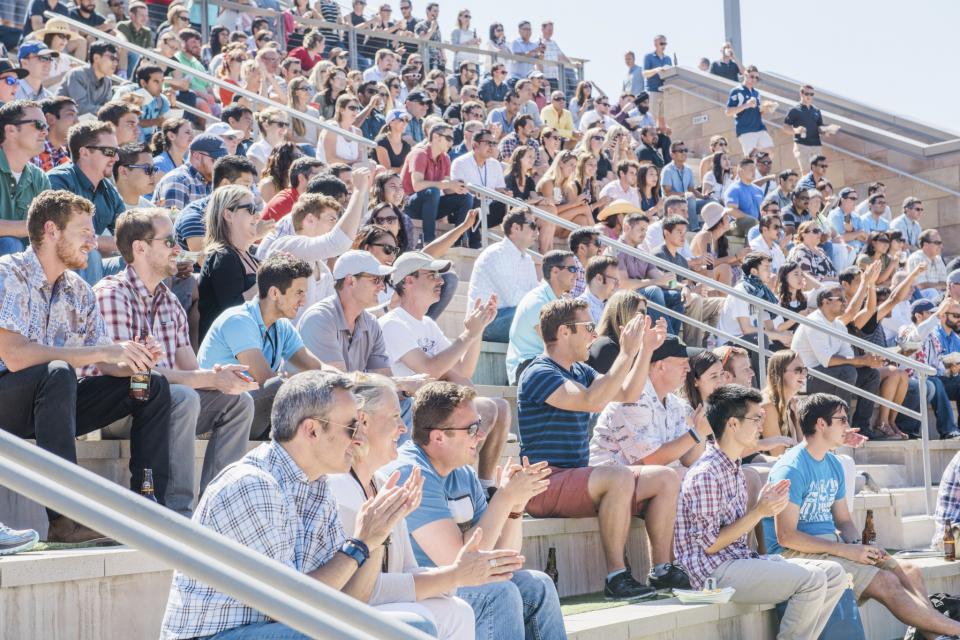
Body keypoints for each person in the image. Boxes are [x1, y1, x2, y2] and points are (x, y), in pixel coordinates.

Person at [160, 370, 438, 638]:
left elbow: (347, 601)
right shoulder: (255, 484)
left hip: (275, 628)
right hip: (219, 634)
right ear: (312, 430)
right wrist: (358, 545)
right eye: (352, 426)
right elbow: (289, 607)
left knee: (415, 627)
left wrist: (376, 539)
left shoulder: (318, 485)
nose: (359, 438)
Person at [0, 190, 171, 543]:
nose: (94, 243)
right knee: (59, 372)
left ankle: (147, 500)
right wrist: (103, 352)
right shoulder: (8, 273)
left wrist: (132, 360)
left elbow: (106, 364)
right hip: (8, 402)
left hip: (56, 402)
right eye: (84, 233)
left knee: (150, 385)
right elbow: (14, 356)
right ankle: (65, 518)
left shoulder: (79, 290)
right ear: (51, 231)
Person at [89, 209, 255, 517]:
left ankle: (218, 510)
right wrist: (204, 379)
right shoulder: (112, 294)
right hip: (118, 406)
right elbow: (129, 372)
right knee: (182, 395)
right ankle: (179, 513)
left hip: (162, 402)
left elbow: (189, 370)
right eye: (169, 241)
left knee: (238, 403)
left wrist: (219, 377)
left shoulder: (169, 301)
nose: (177, 249)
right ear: (140, 248)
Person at [518, 299, 688, 595]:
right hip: (542, 484)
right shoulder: (539, 372)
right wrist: (626, 351)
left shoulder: (580, 371)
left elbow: (629, 392)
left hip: (575, 479)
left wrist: (644, 350)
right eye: (587, 327)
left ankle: (661, 569)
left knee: (665, 477)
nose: (594, 335)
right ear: (564, 332)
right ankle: (616, 576)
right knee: (619, 475)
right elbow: (591, 401)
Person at [765, 393, 960, 638]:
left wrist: (859, 546)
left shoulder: (833, 464)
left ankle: (936, 636)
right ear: (821, 424)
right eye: (842, 420)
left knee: (910, 570)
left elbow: (844, 520)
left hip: (831, 548)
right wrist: (845, 551)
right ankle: (954, 630)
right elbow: (786, 537)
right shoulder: (791, 467)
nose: (847, 426)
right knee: (886, 582)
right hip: (797, 554)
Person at [381, 381, 566, 638]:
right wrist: (502, 498)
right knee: (499, 593)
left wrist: (515, 506)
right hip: (421, 591)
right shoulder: (410, 473)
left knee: (539, 585)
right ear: (438, 437)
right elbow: (458, 561)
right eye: (471, 428)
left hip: (454, 584)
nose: (480, 435)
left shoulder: (463, 473)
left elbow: (503, 557)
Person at [675, 384, 846, 638]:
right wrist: (760, 511)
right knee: (812, 580)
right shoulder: (706, 474)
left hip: (736, 561)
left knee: (835, 573)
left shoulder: (732, 468)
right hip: (711, 572)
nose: (761, 426)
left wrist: (762, 510)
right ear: (732, 424)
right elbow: (710, 545)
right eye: (756, 418)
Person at [328, 373, 485, 638]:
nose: (403, 428)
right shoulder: (337, 488)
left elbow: (406, 569)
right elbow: (362, 590)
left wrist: (458, 574)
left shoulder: (381, 482)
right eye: (394, 417)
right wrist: (453, 576)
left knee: (457, 611)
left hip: (379, 603)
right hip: (342, 613)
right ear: (363, 422)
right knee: (420, 618)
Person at [379, 251, 510, 483]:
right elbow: (430, 369)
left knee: (499, 408)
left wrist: (477, 330)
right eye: (431, 275)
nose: (440, 281)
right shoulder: (392, 322)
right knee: (486, 409)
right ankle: (458, 483)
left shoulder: (427, 324)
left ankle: (485, 486)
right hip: (410, 413)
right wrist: (468, 334)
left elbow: (462, 373)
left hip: (433, 411)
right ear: (408, 280)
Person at [197, 254, 336, 439]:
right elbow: (265, 381)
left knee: (322, 390)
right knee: (280, 388)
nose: (303, 301)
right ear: (274, 293)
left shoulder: (282, 326)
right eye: (299, 293)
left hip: (247, 412)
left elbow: (317, 368)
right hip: (214, 422)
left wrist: (351, 381)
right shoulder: (239, 320)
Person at [259, 169, 371, 316]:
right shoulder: (285, 246)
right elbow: (338, 242)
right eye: (331, 219)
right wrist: (358, 191)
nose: (335, 226)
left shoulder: (322, 268)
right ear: (310, 219)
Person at [792, 285, 883, 433]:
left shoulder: (839, 325)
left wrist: (869, 361)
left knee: (871, 375)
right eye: (840, 299)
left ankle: (862, 426)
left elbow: (849, 356)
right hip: (805, 379)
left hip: (825, 375)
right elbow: (827, 360)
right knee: (847, 371)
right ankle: (842, 425)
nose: (845, 302)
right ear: (825, 302)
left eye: (845, 299)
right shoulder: (814, 321)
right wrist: (860, 360)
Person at [47, 120, 125, 285]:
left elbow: (130, 234)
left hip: (90, 264)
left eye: (117, 151)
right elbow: (67, 235)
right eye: (109, 151)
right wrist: (107, 243)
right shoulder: (59, 180)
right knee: (88, 253)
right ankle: (88, 311)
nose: (116, 157)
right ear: (84, 152)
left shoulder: (109, 190)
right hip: (56, 264)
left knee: (147, 260)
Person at [466, 210, 539, 343]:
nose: (537, 231)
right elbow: (513, 298)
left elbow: (534, 295)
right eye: (533, 225)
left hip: (510, 316)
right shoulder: (495, 254)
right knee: (539, 315)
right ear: (516, 228)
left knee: (550, 315)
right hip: (486, 323)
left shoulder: (527, 259)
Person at [506, 250, 576, 385]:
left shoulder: (560, 300)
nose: (576, 274)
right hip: (527, 366)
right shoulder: (537, 301)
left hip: (546, 364)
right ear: (555, 271)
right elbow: (555, 344)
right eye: (572, 269)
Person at [655, 215, 724, 348]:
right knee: (696, 299)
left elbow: (686, 284)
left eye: (684, 233)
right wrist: (691, 291)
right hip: (669, 301)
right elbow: (663, 282)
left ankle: (712, 343)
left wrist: (697, 288)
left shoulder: (681, 259)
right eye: (679, 232)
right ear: (666, 233)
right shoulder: (658, 254)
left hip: (686, 301)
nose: (683, 236)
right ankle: (694, 349)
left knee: (721, 303)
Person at [401, 123, 472, 245]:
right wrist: (446, 184)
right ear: (435, 137)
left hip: (430, 204)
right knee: (432, 191)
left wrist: (456, 187)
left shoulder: (445, 158)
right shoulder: (419, 153)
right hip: (409, 205)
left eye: (452, 139)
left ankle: (459, 240)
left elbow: (446, 190)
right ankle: (429, 240)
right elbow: (417, 186)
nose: (451, 143)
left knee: (466, 198)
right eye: (448, 138)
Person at [614, 214, 685, 334]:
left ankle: (672, 338)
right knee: (654, 290)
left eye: (646, 230)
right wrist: (656, 282)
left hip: (641, 295)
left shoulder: (642, 253)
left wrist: (684, 288)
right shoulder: (616, 249)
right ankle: (669, 339)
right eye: (641, 229)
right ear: (626, 228)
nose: (644, 233)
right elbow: (623, 284)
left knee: (677, 296)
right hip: (623, 297)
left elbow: (660, 278)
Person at [174, 155, 258, 254]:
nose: (250, 191)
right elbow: (207, 261)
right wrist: (254, 235)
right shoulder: (195, 215)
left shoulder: (236, 212)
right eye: (246, 185)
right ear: (226, 184)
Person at [0, 100, 51, 257]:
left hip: (26, 264)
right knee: (10, 245)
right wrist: (33, 227)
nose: (45, 132)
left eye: (46, 126)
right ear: (11, 130)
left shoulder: (39, 178)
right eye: (38, 125)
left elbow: (49, 230)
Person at [153, 134, 227, 212]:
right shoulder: (178, 181)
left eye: (224, 162)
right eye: (216, 160)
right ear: (196, 156)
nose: (221, 166)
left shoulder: (212, 180)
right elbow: (172, 219)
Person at [724, 65, 773, 155]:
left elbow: (759, 114)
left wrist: (764, 109)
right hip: (746, 130)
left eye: (756, 78)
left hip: (760, 128)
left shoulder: (756, 93)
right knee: (751, 158)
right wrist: (746, 105)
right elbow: (728, 111)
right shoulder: (737, 91)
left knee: (770, 152)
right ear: (745, 75)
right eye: (752, 76)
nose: (754, 79)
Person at [58, 40, 117, 115]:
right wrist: (108, 112)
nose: (115, 63)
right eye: (112, 58)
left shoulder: (107, 82)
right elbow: (81, 108)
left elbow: (107, 107)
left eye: (116, 60)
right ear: (96, 58)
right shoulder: (77, 74)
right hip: (60, 119)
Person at [261, 157, 326, 223]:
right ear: (301, 178)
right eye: (318, 175)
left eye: (324, 175)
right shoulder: (284, 203)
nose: (324, 180)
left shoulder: (302, 199)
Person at [784, 84, 831, 172]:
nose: (809, 96)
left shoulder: (816, 110)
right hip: (802, 145)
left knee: (819, 172)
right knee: (806, 172)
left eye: (811, 94)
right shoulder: (794, 110)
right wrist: (796, 130)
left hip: (816, 145)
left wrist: (825, 131)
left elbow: (819, 127)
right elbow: (786, 127)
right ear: (801, 94)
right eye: (807, 94)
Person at [33, 96, 75, 172]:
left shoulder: (65, 156)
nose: (77, 121)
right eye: (70, 114)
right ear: (50, 119)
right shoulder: (33, 153)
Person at [723, 157, 763, 236]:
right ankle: (749, 247)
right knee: (751, 222)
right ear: (741, 172)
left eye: (755, 170)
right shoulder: (734, 189)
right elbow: (730, 210)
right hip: (736, 225)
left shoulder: (759, 190)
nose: (754, 172)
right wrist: (753, 220)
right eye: (751, 170)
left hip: (756, 224)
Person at [114, 143, 159, 210]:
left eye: (154, 169)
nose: (153, 175)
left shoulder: (151, 210)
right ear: (123, 172)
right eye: (147, 169)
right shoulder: (103, 207)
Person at [577, 255, 620, 324]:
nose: (618, 285)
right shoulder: (581, 308)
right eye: (615, 280)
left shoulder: (609, 306)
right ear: (599, 278)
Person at [907, 229, 948, 298]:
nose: (941, 246)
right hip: (919, 296)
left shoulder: (938, 258)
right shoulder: (917, 258)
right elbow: (921, 286)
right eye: (937, 243)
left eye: (941, 243)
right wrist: (941, 285)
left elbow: (945, 282)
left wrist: (940, 285)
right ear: (926, 245)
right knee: (932, 292)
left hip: (938, 295)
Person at [641, 35, 671, 112]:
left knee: (664, 121)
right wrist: (657, 70)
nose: (663, 45)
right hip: (653, 92)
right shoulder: (648, 57)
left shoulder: (668, 58)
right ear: (655, 44)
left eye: (665, 43)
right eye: (661, 43)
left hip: (665, 92)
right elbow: (644, 74)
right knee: (653, 119)